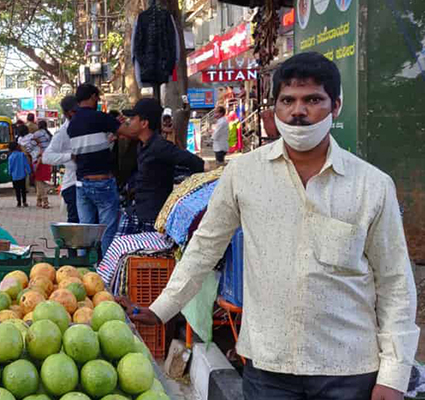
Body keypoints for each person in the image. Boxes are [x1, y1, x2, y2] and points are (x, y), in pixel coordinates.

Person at [118, 52, 418, 400]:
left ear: (335, 106)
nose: (298, 111)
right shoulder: (244, 174)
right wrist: (159, 310)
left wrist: (394, 375)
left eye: (313, 100)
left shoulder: (372, 186)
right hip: (268, 370)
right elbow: (203, 249)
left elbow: (396, 284)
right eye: (287, 100)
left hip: (348, 370)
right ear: (274, 110)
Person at [67, 83, 132, 257]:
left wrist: (111, 133)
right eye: (97, 97)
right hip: (102, 181)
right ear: (93, 97)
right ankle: (106, 268)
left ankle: (84, 268)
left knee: (85, 229)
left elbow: (88, 148)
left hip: (81, 184)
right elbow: (131, 133)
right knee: (108, 228)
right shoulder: (100, 117)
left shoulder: (72, 125)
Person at [121, 98, 205, 231]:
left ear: (144, 123)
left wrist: (187, 194)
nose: (129, 122)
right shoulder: (141, 145)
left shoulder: (160, 147)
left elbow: (196, 163)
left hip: (154, 219)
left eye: (132, 119)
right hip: (139, 214)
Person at [43, 95, 80, 223]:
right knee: (76, 224)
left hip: (90, 184)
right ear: (68, 113)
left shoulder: (89, 125)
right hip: (73, 185)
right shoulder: (63, 132)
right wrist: (70, 156)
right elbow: (47, 157)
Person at [32, 120, 53, 208]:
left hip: (39, 158)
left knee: (39, 180)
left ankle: (44, 200)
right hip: (48, 158)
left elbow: (31, 143)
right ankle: (39, 200)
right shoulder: (49, 134)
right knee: (39, 180)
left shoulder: (37, 134)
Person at [7, 141, 31, 207]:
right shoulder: (22, 155)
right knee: (23, 189)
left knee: (17, 190)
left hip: (14, 176)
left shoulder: (10, 157)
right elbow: (26, 164)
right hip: (22, 175)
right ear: (17, 147)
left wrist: (9, 173)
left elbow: (10, 167)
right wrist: (29, 171)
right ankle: (24, 202)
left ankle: (18, 203)